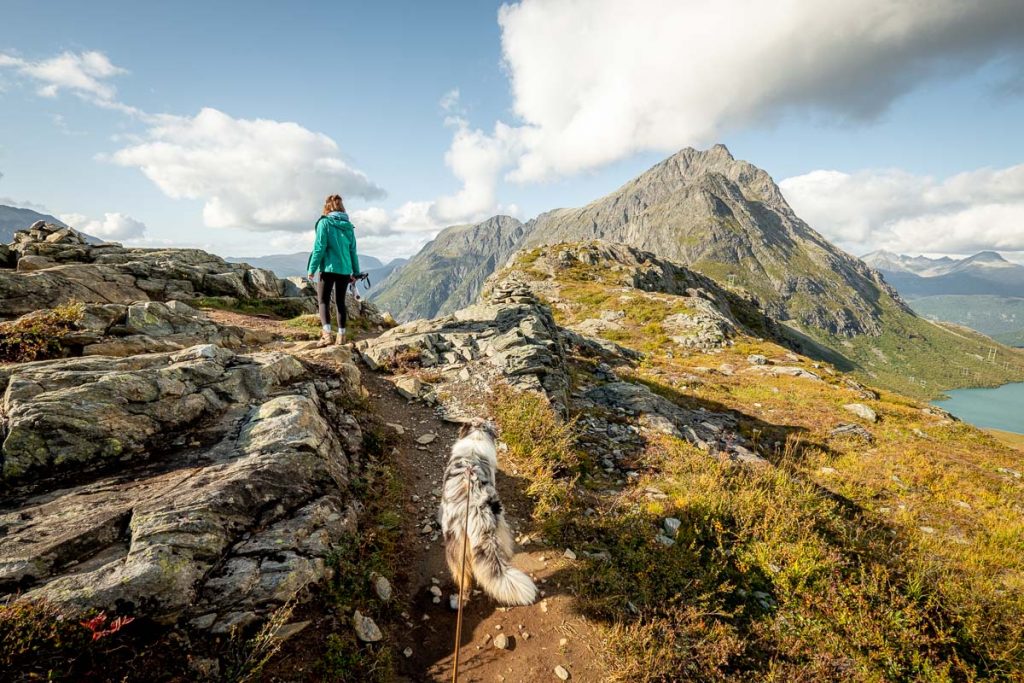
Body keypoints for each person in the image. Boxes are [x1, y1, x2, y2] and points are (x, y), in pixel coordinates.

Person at [307, 194, 360, 347]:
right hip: (344, 270)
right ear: (342, 208)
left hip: (328, 269)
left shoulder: (324, 223)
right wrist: (355, 273)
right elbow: (353, 251)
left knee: (323, 301)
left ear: (327, 207)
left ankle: (327, 335)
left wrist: (312, 268)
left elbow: (319, 248)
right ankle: (341, 337)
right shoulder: (349, 226)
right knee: (340, 303)